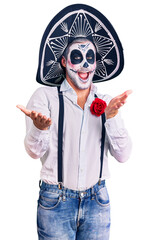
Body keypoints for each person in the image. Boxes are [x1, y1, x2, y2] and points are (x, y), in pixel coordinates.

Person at [17, 4, 132, 240]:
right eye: (77, 57)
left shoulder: (107, 103)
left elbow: (123, 156)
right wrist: (40, 129)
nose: (85, 64)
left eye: (90, 57)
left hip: (97, 201)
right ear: (63, 61)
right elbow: (33, 152)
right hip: (55, 201)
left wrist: (111, 118)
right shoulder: (44, 97)